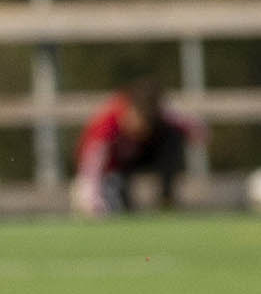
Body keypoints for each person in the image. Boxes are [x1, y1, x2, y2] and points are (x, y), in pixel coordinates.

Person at [72, 81, 196, 215]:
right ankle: (123, 201)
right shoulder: (107, 122)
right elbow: (91, 165)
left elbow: (198, 131)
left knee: (173, 138)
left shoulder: (158, 114)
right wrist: (89, 195)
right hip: (111, 168)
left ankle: (166, 200)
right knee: (111, 203)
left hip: (140, 156)